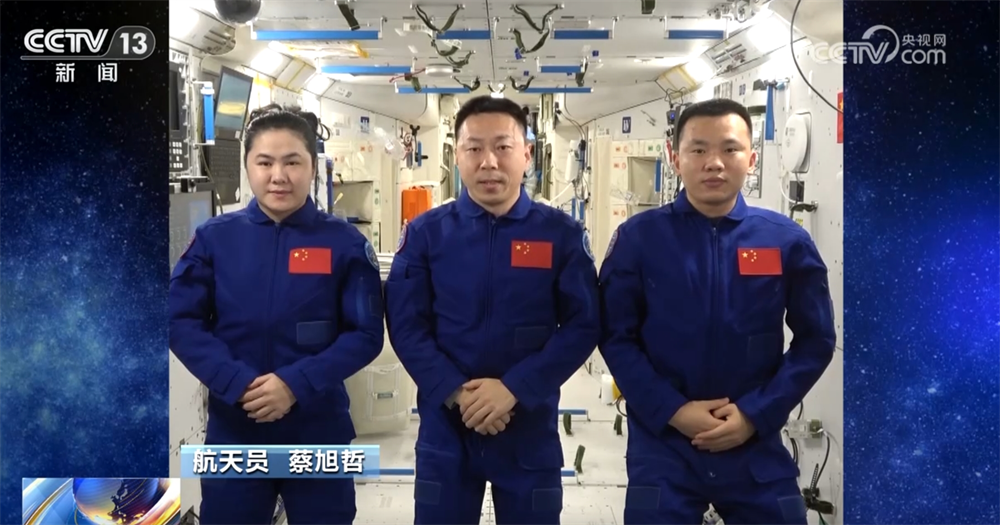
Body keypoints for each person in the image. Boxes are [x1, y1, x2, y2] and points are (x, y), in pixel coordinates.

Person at [598, 98, 836, 525]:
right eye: (698, 149)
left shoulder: (786, 242)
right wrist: (673, 411)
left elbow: (815, 341)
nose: (714, 163)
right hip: (664, 445)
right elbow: (616, 336)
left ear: (751, 158)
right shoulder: (638, 240)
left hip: (753, 443)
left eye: (730, 149)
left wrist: (755, 415)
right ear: (675, 158)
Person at [384, 95, 600, 525]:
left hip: (528, 425)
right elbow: (406, 325)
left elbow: (583, 324)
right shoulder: (426, 235)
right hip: (447, 427)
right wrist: (456, 392)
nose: (488, 162)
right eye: (474, 148)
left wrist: (514, 388)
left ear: (527, 154)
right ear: (457, 156)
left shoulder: (559, 234)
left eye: (502, 147)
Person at [169, 104, 384, 525]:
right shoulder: (214, 239)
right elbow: (180, 321)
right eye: (265, 162)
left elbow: (365, 334)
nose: (278, 176)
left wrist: (294, 384)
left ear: (312, 167)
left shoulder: (344, 243)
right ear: (248, 166)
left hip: (318, 430)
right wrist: (237, 383)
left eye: (292, 162)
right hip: (236, 429)